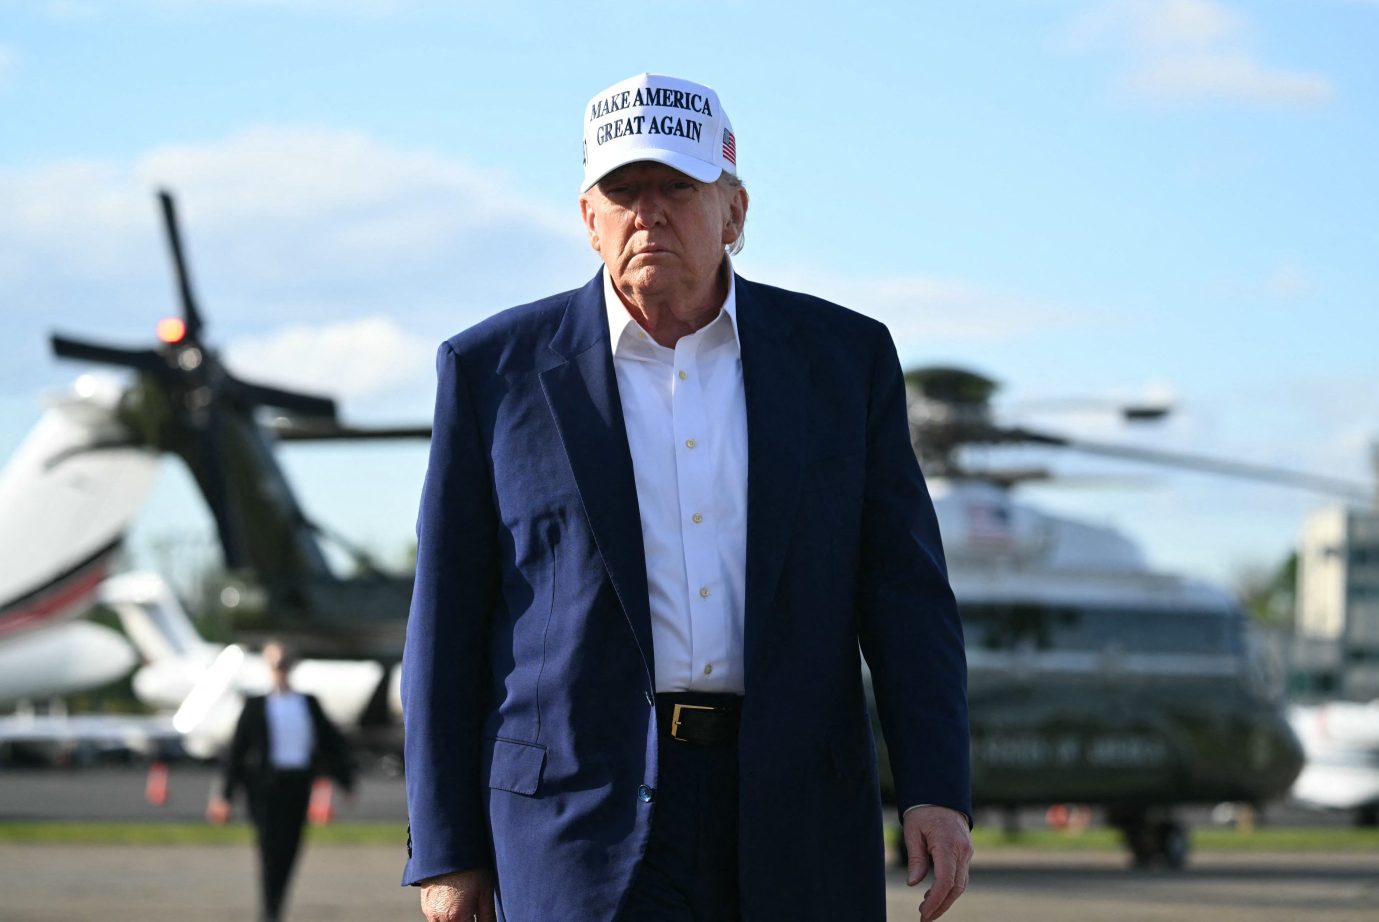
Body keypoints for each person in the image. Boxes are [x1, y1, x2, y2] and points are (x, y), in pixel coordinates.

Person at [402, 72, 972, 922]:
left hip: (796, 817)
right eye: (622, 191)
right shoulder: (492, 372)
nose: (649, 213)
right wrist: (447, 849)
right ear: (588, 218)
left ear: (734, 213)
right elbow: (445, 623)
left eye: (677, 187)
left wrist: (936, 787)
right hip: (572, 828)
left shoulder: (844, 361)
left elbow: (906, 597)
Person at [208, 641, 356, 922]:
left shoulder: (307, 703)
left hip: (298, 784)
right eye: (276, 663)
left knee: (290, 849)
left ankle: (276, 907)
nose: (281, 669)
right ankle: (270, 912)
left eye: (285, 663)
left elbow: (332, 744)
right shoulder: (256, 705)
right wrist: (224, 796)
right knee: (268, 848)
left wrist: (345, 782)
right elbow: (236, 752)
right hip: (264, 788)